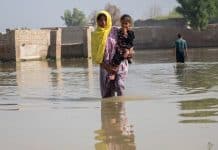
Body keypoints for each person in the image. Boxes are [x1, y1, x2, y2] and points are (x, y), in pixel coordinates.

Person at [92, 11, 133, 98]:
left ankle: (121, 108)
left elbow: (128, 40)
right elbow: (96, 56)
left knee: (119, 85)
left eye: (105, 20)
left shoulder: (116, 30)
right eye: (100, 20)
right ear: (97, 21)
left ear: (108, 20)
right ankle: (109, 110)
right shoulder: (95, 35)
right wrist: (108, 68)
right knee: (107, 93)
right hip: (105, 66)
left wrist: (130, 51)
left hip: (119, 62)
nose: (103, 23)